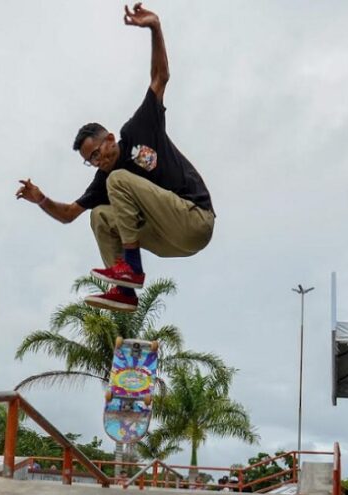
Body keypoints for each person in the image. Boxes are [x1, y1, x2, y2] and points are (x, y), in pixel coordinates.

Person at [15, 3, 215, 313]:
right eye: (90, 161)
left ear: (110, 139)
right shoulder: (102, 177)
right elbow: (69, 214)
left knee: (118, 180)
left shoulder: (138, 128)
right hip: (169, 241)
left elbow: (160, 77)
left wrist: (154, 28)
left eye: (96, 153)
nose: (97, 162)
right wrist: (41, 200)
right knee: (100, 217)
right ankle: (125, 291)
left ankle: (130, 269)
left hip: (194, 220)